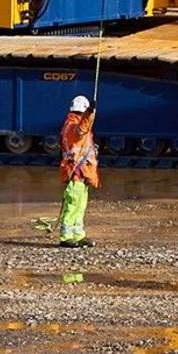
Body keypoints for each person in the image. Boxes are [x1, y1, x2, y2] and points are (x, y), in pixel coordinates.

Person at [57, 93, 100, 247]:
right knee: (73, 204)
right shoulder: (73, 124)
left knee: (80, 205)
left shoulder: (72, 123)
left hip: (82, 173)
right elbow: (80, 131)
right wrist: (89, 114)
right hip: (76, 171)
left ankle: (78, 235)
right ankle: (66, 237)